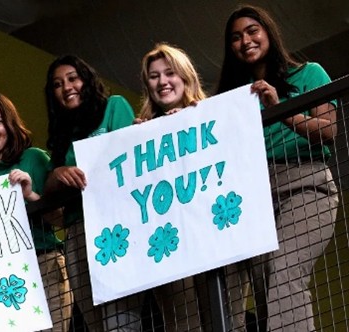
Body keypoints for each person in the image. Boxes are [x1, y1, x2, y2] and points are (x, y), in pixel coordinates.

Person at [216, 5, 338, 331]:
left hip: (306, 186)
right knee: (266, 291)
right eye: (236, 37)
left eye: (252, 31)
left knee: (285, 274)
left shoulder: (308, 73)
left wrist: (280, 109)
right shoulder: (233, 97)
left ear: (268, 31)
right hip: (256, 198)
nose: (245, 41)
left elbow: (329, 130)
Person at [0, 91, 71, 331]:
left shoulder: (34, 158)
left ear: (9, 124)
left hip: (43, 265)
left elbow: (63, 220)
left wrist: (30, 196)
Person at [42, 55, 141, 332]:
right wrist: (58, 173)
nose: (67, 87)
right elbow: (48, 190)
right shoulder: (62, 134)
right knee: (95, 322)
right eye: (58, 84)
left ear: (86, 80)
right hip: (77, 232)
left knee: (121, 321)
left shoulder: (113, 107)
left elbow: (128, 158)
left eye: (73, 78)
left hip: (117, 226)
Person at [139, 43, 209, 332]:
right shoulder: (138, 132)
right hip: (168, 242)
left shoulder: (212, 115)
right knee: (182, 324)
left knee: (229, 318)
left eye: (170, 73)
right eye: (154, 76)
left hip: (213, 232)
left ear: (185, 76)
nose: (162, 82)